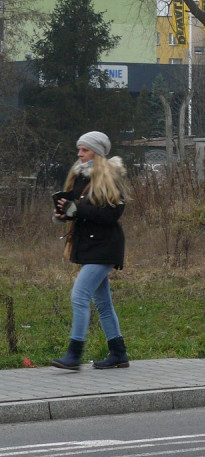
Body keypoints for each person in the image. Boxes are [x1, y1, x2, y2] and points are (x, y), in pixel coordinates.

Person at [51, 131, 131, 371]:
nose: (79, 154)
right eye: (79, 149)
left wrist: (78, 209)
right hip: (90, 247)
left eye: (84, 149)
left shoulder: (110, 177)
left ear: (96, 152)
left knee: (79, 296)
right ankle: (118, 353)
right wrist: (62, 213)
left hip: (105, 247)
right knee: (103, 302)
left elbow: (112, 214)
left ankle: (74, 354)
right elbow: (79, 211)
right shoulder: (79, 177)